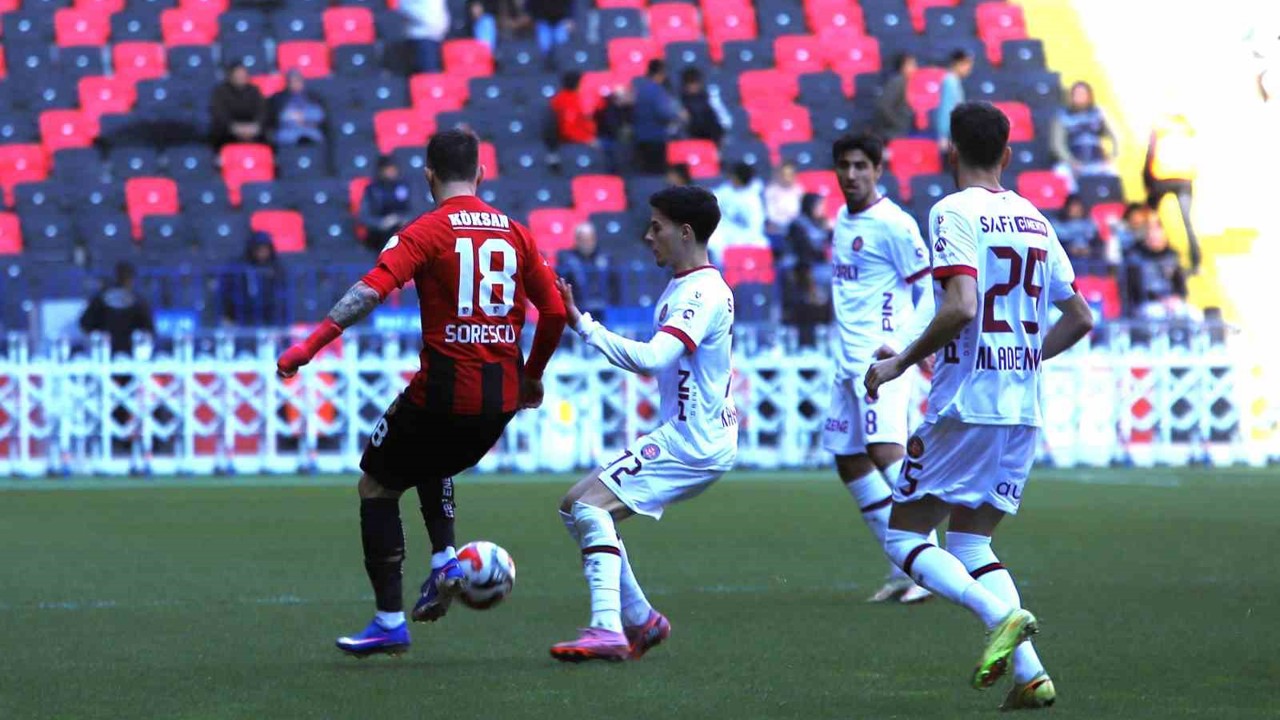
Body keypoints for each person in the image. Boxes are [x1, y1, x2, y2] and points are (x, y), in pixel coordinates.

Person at [276, 129, 568, 657]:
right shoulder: (518, 234)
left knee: (376, 486)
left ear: (428, 175)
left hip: (441, 395)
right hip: (498, 404)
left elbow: (370, 291)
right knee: (435, 455)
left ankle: (390, 620)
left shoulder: (427, 231)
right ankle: (445, 560)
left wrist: (308, 348)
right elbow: (552, 312)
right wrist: (532, 374)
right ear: (481, 175)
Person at [864, 101, 1094, 710]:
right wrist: (1023, 357)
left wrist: (898, 363)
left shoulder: (951, 212)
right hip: (1021, 409)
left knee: (904, 534)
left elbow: (961, 304)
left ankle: (997, 615)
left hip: (964, 404)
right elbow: (1080, 316)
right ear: (1008, 155)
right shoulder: (1036, 221)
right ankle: (1031, 675)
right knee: (970, 544)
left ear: (950, 153)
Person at [549, 185, 737, 662]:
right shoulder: (689, 284)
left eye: (657, 227)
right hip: (692, 433)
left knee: (592, 510)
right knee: (576, 506)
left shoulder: (702, 292)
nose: (647, 235)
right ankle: (642, 620)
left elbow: (655, 358)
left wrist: (585, 326)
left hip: (693, 441)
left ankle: (608, 628)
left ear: (685, 232)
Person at [822, 132, 937, 604]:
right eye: (844, 166)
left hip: (880, 362)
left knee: (886, 452)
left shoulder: (894, 224)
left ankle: (929, 565)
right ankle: (900, 568)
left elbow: (933, 287)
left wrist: (904, 345)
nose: (851, 175)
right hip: (844, 362)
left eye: (860, 166)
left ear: (878, 170)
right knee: (849, 460)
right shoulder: (842, 221)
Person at [1143, 111, 1200, 272]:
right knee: (1187, 222)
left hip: (1161, 178)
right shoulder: (1186, 127)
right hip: (1184, 178)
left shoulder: (1159, 126)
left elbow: (1151, 152)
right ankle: (1196, 262)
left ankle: (1149, 252)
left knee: (1150, 218)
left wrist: (1147, 181)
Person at [782, 192, 833, 347]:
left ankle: (829, 328)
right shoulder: (798, 225)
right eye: (819, 205)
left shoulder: (824, 224)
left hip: (821, 265)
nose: (822, 209)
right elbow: (803, 252)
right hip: (800, 267)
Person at [1050, 81, 1120, 189]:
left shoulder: (1099, 113)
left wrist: (1112, 157)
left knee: (1113, 173)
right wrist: (1071, 162)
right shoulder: (1063, 116)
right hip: (1074, 161)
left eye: (1083, 94)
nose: (1079, 97)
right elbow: (1057, 144)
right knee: (1061, 173)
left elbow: (1115, 135)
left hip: (1097, 160)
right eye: (1076, 94)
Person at [80, 261, 155, 357]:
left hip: (110, 353)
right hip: (120, 353)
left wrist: (98, 334)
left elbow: (85, 323)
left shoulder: (100, 298)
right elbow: (149, 330)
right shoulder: (139, 301)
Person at [1125, 218, 1193, 320]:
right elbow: (1137, 288)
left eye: (1158, 238)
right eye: (1152, 237)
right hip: (1148, 303)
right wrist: (1162, 299)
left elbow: (1180, 284)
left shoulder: (1172, 255)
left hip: (1172, 302)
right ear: (1146, 238)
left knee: (1193, 315)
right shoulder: (1136, 257)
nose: (1155, 240)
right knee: (1157, 314)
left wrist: (1176, 297)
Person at [555, 221, 617, 321]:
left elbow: (615, 285)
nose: (587, 243)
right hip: (577, 308)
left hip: (603, 308)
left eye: (590, 239)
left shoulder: (606, 258)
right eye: (583, 240)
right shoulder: (566, 259)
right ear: (576, 240)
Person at [708, 161, 768, 263]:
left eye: (734, 177)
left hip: (746, 236)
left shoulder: (753, 199)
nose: (731, 179)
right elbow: (710, 198)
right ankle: (721, 273)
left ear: (739, 178)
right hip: (725, 232)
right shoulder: (725, 190)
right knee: (713, 242)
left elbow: (756, 227)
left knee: (763, 244)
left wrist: (741, 242)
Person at [632, 60, 683, 175]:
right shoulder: (658, 91)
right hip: (656, 138)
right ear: (660, 73)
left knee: (645, 172)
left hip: (640, 138)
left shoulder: (641, 89)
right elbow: (663, 113)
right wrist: (678, 115)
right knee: (657, 173)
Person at [222, 231, 284, 326]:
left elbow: (280, 294)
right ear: (253, 249)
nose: (263, 252)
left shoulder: (276, 268)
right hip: (243, 313)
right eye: (259, 249)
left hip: (267, 314)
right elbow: (230, 292)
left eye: (265, 249)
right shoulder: (239, 267)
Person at [358, 156, 412, 252]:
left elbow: (414, 210)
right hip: (379, 236)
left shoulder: (404, 186)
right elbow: (364, 217)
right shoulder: (372, 190)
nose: (391, 172)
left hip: (402, 231)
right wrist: (382, 223)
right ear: (380, 171)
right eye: (388, 169)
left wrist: (402, 220)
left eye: (393, 169)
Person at [265, 70, 328, 147]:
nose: (295, 84)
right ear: (287, 83)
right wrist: (292, 116)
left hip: (310, 131)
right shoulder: (279, 99)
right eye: (292, 81)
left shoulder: (313, 97)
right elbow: (278, 117)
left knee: (316, 137)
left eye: (298, 81)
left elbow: (319, 116)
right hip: (288, 132)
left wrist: (304, 116)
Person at [210, 62, 265, 147]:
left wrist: (254, 127)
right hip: (228, 131)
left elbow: (262, 111)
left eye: (242, 75)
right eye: (237, 75)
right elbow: (219, 114)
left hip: (252, 129)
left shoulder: (254, 91)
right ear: (231, 76)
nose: (240, 77)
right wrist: (234, 128)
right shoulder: (221, 92)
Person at [935, 49, 974, 152]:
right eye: (966, 64)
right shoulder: (950, 82)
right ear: (956, 64)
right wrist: (943, 135)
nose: (969, 68)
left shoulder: (954, 81)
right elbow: (946, 109)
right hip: (950, 135)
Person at [874, 53, 917, 140]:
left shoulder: (909, 82)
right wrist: (898, 123)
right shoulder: (897, 82)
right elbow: (884, 106)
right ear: (902, 67)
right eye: (911, 64)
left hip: (905, 131)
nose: (915, 68)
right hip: (894, 133)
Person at [548, 71, 597, 146]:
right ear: (577, 84)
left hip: (581, 138)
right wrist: (587, 139)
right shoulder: (570, 101)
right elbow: (568, 130)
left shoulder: (560, 97)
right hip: (574, 143)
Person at [400, 0, 450, 73]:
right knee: (428, 74)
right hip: (421, 37)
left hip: (440, 38)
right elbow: (404, 7)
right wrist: (427, 21)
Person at [679, 67, 725, 145]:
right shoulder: (681, 100)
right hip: (690, 135)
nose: (693, 86)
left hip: (708, 136)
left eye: (695, 82)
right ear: (685, 85)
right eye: (690, 83)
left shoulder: (707, 99)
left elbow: (717, 122)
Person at [1052, 194, 1102, 266]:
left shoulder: (1090, 224)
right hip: (1066, 261)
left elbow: (1098, 244)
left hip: (1090, 260)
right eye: (1073, 206)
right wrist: (1068, 249)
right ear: (1067, 208)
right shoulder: (1057, 226)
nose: (1076, 210)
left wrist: (1090, 250)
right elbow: (1054, 248)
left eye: (1078, 206)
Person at [764, 161, 804, 239]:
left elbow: (799, 213)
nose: (787, 178)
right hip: (776, 227)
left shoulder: (799, 190)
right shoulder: (771, 191)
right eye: (784, 174)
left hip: (795, 227)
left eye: (790, 174)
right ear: (779, 175)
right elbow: (770, 215)